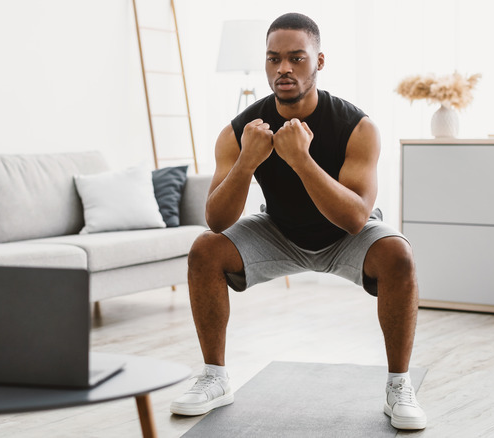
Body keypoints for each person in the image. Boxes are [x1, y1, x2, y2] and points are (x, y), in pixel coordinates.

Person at [170, 12, 427, 430]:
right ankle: (215, 378)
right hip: (278, 232)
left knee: (398, 253)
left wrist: (302, 161)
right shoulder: (239, 131)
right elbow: (216, 220)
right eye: (273, 59)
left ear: (319, 62)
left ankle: (399, 385)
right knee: (205, 249)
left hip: (345, 236)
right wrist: (248, 162)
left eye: (296, 58)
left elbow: (355, 218)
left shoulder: (357, 127)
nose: (283, 68)